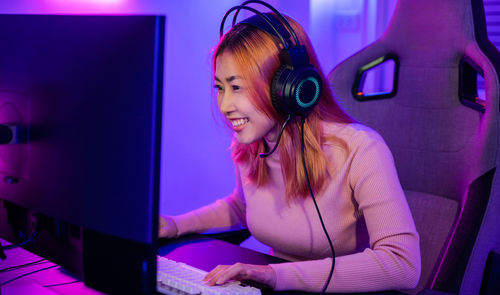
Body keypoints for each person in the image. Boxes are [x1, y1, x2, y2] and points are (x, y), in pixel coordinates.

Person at [159, 5, 421, 293]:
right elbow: (241, 206)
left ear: (286, 88)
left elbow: (402, 264)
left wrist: (276, 274)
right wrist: (173, 225)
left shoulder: (361, 150)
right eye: (220, 88)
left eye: (238, 88)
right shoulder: (252, 147)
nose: (224, 106)